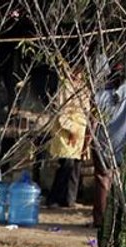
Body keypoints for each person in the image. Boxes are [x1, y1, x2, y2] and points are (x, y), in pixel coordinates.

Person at [91, 63, 126, 226]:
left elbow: (93, 123)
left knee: (103, 181)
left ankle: (101, 221)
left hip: (104, 145)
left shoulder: (99, 95)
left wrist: (89, 143)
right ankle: (125, 219)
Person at [48, 70, 89, 208]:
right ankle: (54, 198)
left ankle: (70, 199)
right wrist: (71, 129)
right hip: (66, 131)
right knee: (66, 165)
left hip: (80, 130)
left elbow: (86, 110)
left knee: (76, 166)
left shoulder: (84, 88)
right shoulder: (65, 87)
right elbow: (62, 112)